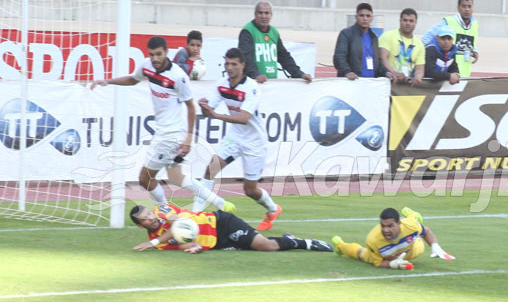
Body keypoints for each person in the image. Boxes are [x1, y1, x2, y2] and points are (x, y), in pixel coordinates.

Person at [90, 36, 233, 212]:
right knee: (176, 177)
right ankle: (219, 202)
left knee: (144, 178)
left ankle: (164, 210)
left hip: (171, 135)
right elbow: (133, 79)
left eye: (159, 54)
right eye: (152, 55)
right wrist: (108, 81)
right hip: (164, 132)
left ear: (166, 52)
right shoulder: (147, 66)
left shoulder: (178, 76)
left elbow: (190, 107)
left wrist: (188, 139)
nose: (155, 59)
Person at [196, 48, 282, 231]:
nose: (229, 67)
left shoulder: (251, 87)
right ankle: (195, 215)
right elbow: (208, 112)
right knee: (211, 169)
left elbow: (244, 118)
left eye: (234, 64)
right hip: (234, 137)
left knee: (250, 190)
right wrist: (203, 106)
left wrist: (217, 115)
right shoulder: (221, 84)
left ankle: (273, 209)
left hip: (254, 142)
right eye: (227, 63)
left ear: (242, 66)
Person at [130, 203, 332, 253]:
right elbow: (182, 243)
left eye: (149, 214)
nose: (151, 218)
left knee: (266, 247)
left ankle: (307, 243)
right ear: (141, 226)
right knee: (258, 248)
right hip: (217, 243)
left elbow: (176, 225)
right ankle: (287, 238)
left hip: (221, 223)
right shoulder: (160, 245)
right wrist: (195, 247)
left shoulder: (162, 209)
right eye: (145, 220)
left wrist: (154, 241)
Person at [331, 207, 455, 270]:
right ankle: (340, 245)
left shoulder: (409, 226)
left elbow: (426, 231)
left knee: (415, 226)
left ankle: (413, 215)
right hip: (385, 256)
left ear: (399, 224)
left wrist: (435, 247)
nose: (385, 230)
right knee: (361, 254)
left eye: (390, 226)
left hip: (413, 248)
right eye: (383, 226)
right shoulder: (373, 240)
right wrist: (393, 264)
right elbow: (378, 263)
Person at [238, 0, 313, 84]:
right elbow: (246, 58)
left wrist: (300, 74)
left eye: (267, 13)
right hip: (252, 83)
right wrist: (256, 75)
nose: (263, 16)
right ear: (255, 14)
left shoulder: (274, 32)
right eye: (260, 13)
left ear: (271, 15)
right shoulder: (247, 32)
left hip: (271, 84)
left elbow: (284, 57)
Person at [421, 0, 479, 77]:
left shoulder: (475, 24)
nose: (467, 9)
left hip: (464, 72)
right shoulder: (448, 21)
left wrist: (475, 50)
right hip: (446, 74)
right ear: (458, 8)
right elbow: (426, 38)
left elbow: (470, 42)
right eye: (464, 6)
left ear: (473, 8)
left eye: (469, 6)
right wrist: (438, 56)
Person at [333, 2, 387, 80]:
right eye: (361, 15)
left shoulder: (374, 37)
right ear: (356, 17)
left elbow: (377, 62)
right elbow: (339, 57)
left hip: (371, 83)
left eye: (368, 16)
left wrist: (386, 73)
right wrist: (347, 72)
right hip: (352, 82)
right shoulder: (346, 34)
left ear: (372, 18)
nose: (365, 19)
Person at [379, 8, 425, 86]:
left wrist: (418, 77)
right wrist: (394, 73)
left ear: (416, 23)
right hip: (387, 82)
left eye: (411, 21)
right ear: (400, 21)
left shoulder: (419, 44)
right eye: (405, 20)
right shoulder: (387, 36)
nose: (408, 23)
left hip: (406, 87)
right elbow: (382, 58)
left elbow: (420, 67)